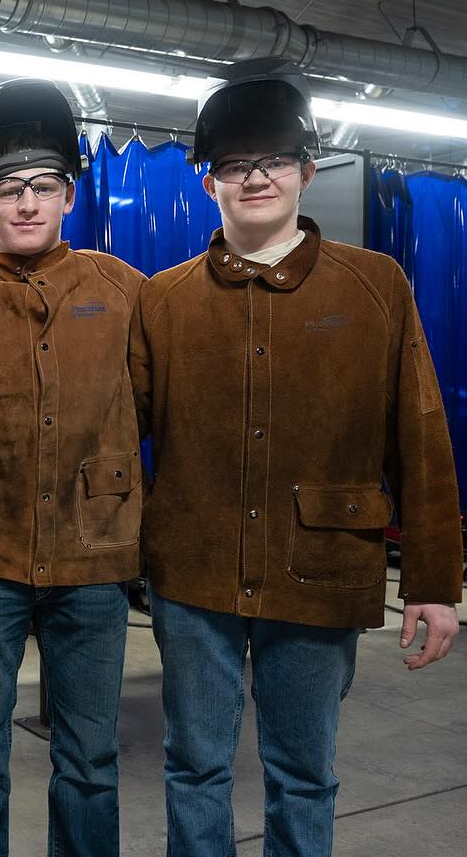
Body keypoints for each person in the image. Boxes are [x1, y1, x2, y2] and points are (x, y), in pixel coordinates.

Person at [130, 59, 463, 855]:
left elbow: (419, 434)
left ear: (307, 171)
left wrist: (433, 583)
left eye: (274, 161)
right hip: (195, 572)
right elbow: (115, 433)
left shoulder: (375, 285)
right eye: (236, 164)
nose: (256, 178)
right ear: (209, 180)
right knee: (196, 765)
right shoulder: (164, 299)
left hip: (321, 567)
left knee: (303, 772)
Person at [0, 79, 146, 857]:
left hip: (92, 566)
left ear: (69, 195)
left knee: (90, 759)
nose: (25, 203)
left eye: (42, 187)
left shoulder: (123, 291)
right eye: (6, 190)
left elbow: (160, 405)